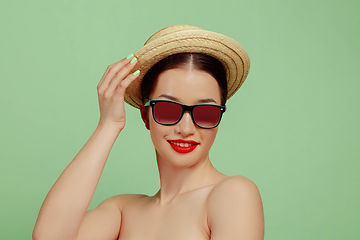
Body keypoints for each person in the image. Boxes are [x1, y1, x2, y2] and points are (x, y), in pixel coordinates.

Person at [33, 25, 264, 240]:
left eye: (205, 113)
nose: (185, 129)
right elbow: (49, 236)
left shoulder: (234, 194)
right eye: (167, 109)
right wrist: (108, 126)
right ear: (145, 115)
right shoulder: (123, 211)